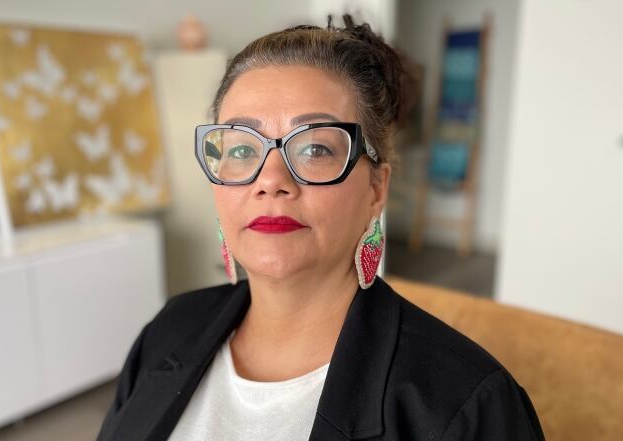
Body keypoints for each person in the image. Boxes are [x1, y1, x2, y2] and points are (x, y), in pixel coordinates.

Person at [97, 15, 545, 441]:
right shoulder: (170, 328)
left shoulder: (464, 403)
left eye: (314, 149)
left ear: (376, 189)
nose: (270, 180)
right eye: (239, 150)